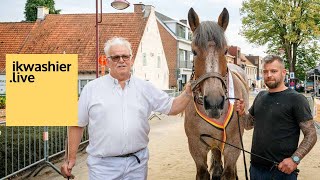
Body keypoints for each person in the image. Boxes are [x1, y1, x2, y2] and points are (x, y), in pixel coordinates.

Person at [61, 37, 193, 179]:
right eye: (116, 57)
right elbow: (76, 124)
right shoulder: (91, 89)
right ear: (108, 61)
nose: (121, 60)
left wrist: (188, 92)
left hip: (137, 165)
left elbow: (172, 107)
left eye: (125, 56)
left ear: (131, 59)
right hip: (103, 168)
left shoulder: (145, 88)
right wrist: (70, 158)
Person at [235, 55, 317, 180]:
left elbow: (311, 134)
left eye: (273, 71)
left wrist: (295, 160)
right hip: (256, 170)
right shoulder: (260, 96)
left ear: (283, 72)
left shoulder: (296, 99)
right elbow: (247, 125)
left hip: (282, 171)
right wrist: (241, 113)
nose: (269, 75)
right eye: (265, 71)